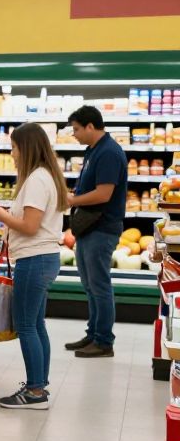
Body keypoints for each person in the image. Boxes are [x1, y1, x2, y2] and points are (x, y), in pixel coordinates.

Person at [0, 123, 68, 409]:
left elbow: (30, 227)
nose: (12, 153)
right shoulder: (46, 177)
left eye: (14, 148)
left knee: (26, 326)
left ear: (26, 148)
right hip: (43, 258)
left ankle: (34, 392)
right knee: (36, 325)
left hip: (35, 259)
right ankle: (38, 385)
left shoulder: (36, 180)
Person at [65, 105, 127, 358]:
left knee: (99, 285)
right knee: (90, 285)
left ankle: (104, 341)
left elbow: (104, 194)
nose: (74, 134)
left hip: (102, 228)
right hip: (89, 227)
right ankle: (93, 333)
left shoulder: (109, 153)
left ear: (91, 126)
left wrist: (72, 201)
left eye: (77, 129)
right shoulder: (93, 150)